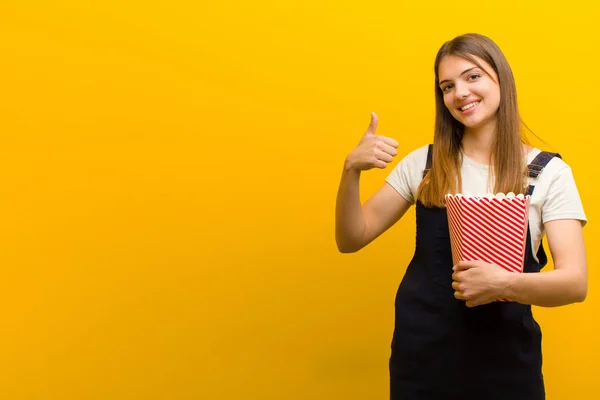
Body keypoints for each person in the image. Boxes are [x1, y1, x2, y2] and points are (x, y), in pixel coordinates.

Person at [335, 33, 588, 399]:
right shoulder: (424, 165)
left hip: (507, 369)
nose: (460, 93)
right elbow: (351, 238)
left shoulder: (547, 173)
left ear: (500, 78)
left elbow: (574, 283)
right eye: (447, 86)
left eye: (473, 77)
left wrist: (502, 284)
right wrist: (350, 171)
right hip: (421, 364)